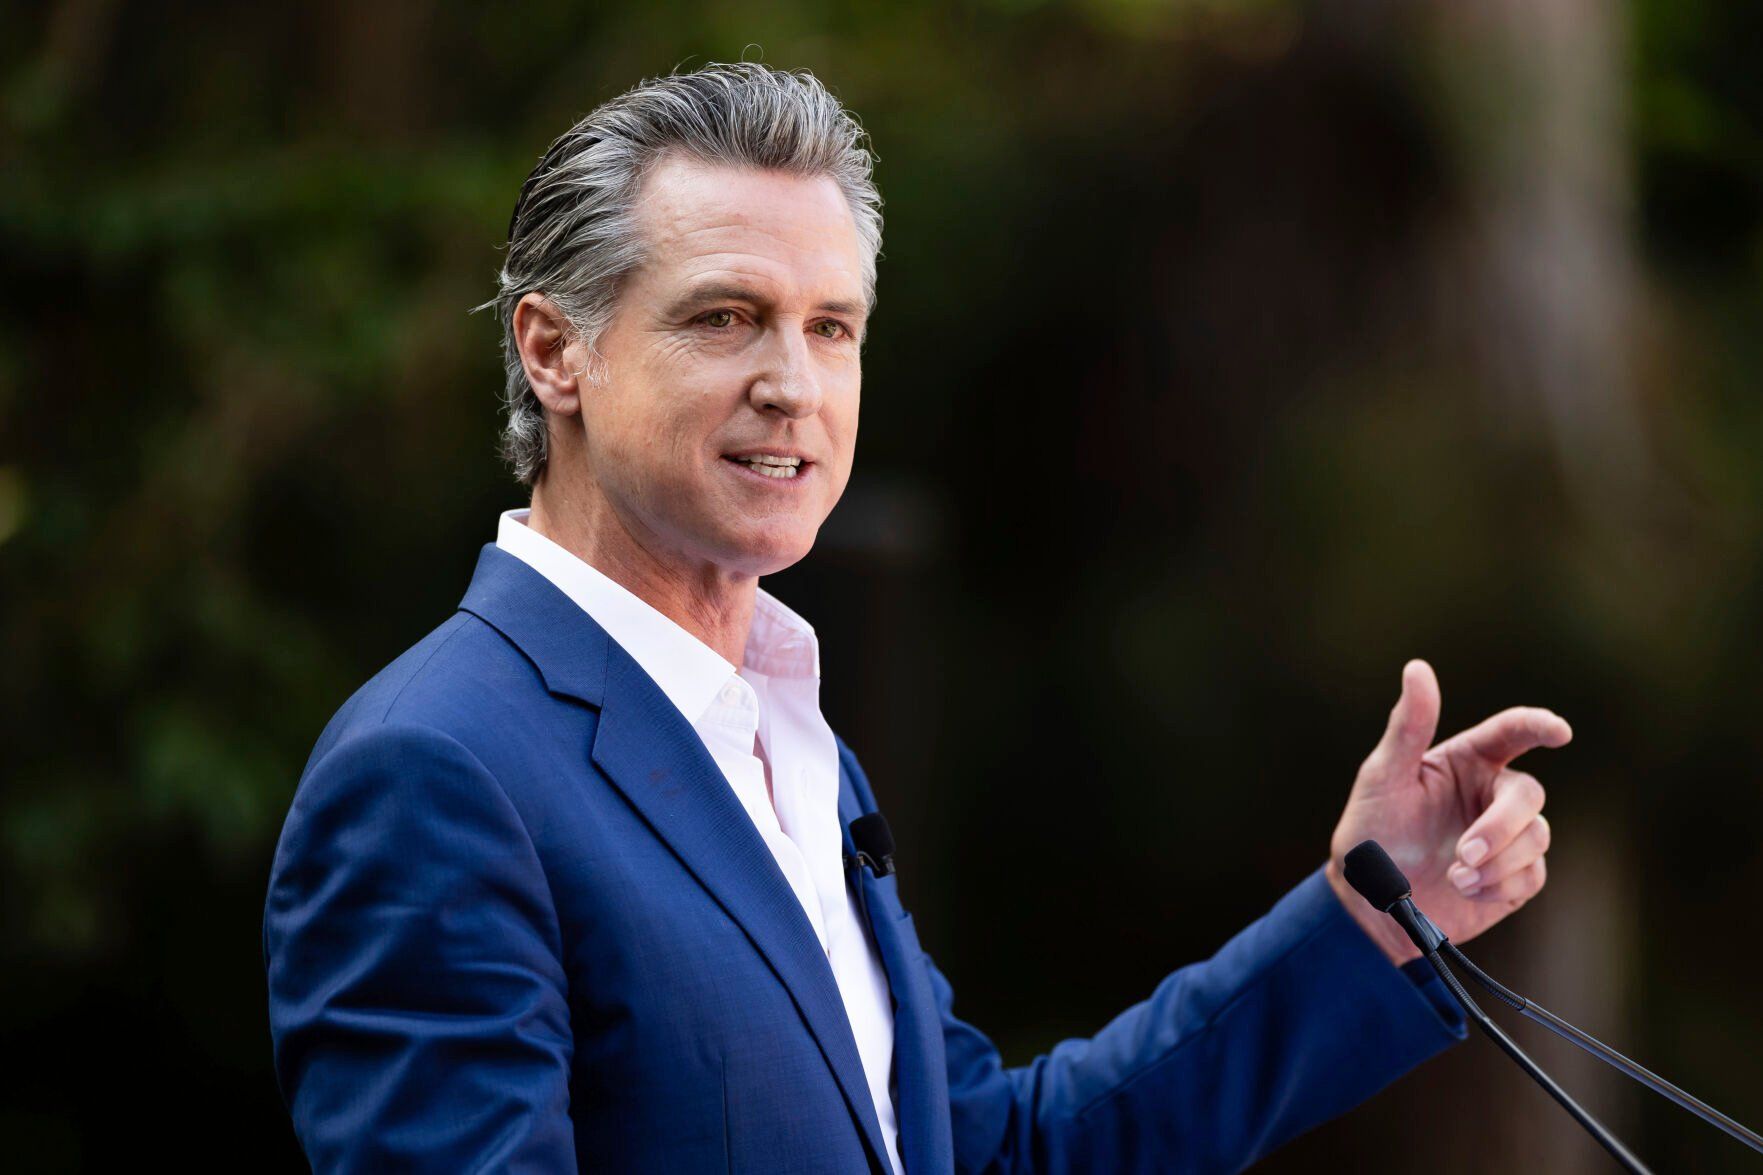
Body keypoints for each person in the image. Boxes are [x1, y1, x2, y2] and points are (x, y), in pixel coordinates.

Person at [262, 63, 1565, 1173]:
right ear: (557, 352)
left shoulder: (791, 745)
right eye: (726, 318)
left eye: (833, 329)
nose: (793, 385)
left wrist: (1370, 917)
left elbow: (986, 1150)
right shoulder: (435, 773)